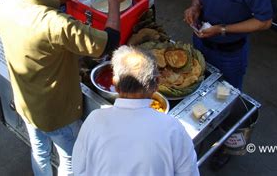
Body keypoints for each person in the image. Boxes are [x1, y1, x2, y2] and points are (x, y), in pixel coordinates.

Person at [0, 0, 128, 176]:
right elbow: (108, 43)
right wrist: (114, 1)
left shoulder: (7, 0)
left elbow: (40, 1)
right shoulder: (56, 24)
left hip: (26, 103)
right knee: (70, 158)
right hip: (56, 112)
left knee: (40, 150)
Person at [72, 45, 199, 176]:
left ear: (115, 83)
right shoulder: (172, 128)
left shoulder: (94, 120)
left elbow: (79, 170)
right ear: (156, 83)